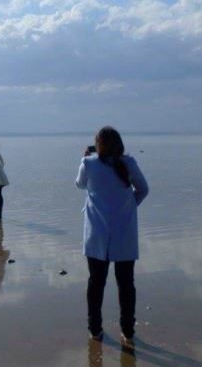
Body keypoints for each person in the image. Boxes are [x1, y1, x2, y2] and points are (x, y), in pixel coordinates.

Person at [76, 127, 149, 346]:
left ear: (97, 144)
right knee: (126, 284)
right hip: (124, 233)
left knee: (96, 283)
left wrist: (85, 157)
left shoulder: (88, 163)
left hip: (97, 234)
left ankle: (95, 329)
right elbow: (143, 189)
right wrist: (128, 207)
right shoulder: (129, 162)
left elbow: (79, 184)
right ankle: (128, 331)